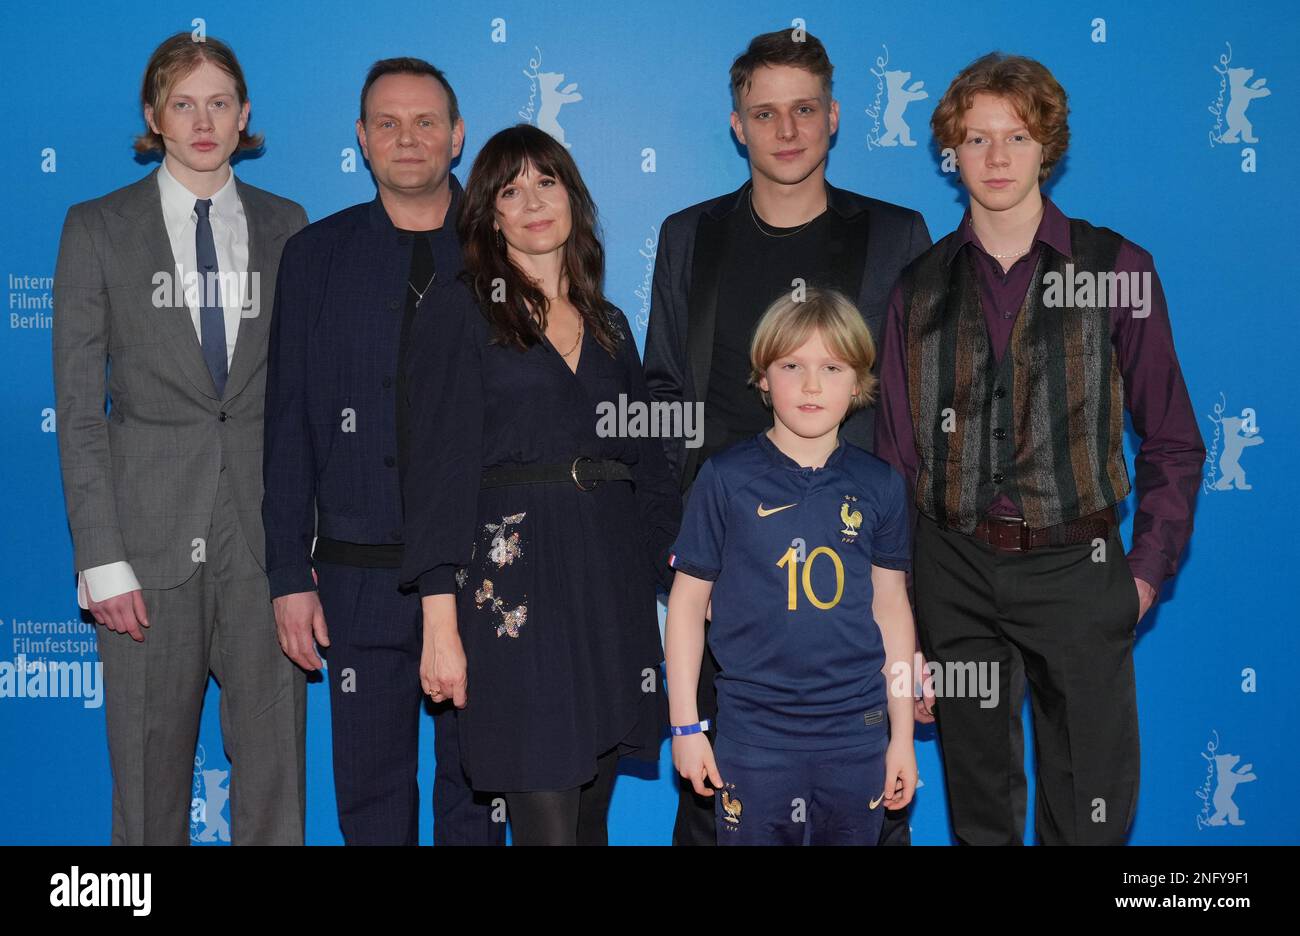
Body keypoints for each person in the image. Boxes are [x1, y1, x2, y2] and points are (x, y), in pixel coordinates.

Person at [874, 53, 1206, 844]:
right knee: (980, 816)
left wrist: (1142, 578)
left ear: (1046, 147)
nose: (996, 159)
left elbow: (1174, 440)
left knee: (1091, 810)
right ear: (950, 152)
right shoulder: (916, 287)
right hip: (949, 570)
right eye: (977, 139)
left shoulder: (1117, 270)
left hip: (1078, 569)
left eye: (1016, 138)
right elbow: (894, 465)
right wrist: (905, 630)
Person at [643, 27, 931, 846]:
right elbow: (663, 389)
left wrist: (919, 634)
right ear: (737, 124)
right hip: (729, 557)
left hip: (857, 554)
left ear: (834, 116)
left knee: (867, 812)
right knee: (721, 806)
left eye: (804, 109)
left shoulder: (895, 234)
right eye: (765, 113)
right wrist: (675, 548)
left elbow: (918, 412)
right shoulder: (689, 235)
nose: (788, 130)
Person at [53, 32, 307, 845]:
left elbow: (301, 400)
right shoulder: (96, 228)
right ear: (154, 117)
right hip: (144, 541)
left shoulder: (287, 226)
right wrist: (101, 557)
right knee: (146, 779)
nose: (204, 121)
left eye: (220, 103)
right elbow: (78, 410)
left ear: (245, 118)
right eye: (184, 103)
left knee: (274, 777)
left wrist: (304, 546)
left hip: (266, 544)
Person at [399, 123, 680, 846]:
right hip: (513, 594)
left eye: (546, 183)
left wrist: (684, 584)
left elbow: (647, 467)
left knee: (590, 827)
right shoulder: (460, 309)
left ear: (573, 197)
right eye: (510, 190)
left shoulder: (611, 324)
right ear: (488, 215)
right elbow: (435, 470)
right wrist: (439, 624)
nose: (531, 203)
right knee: (546, 826)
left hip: (608, 586)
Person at [263, 58, 500, 845]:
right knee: (370, 799)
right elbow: (288, 423)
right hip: (355, 578)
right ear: (362, 140)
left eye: (427, 121)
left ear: (458, 136)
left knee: (479, 794)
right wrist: (290, 575)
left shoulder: (507, 253)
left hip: (485, 572)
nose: (409, 138)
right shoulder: (315, 257)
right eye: (388, 124)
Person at [665, 288, 918, 845]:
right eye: (791, 365)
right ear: (762, 377)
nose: (810, 385)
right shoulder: (725, 478)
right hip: (753, 736)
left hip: (857, 734)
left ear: (858, 383)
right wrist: (685, 725)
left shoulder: (880, 486)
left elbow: (891, 607)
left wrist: (901, 736)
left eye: (831, 367)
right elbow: (685, 605)